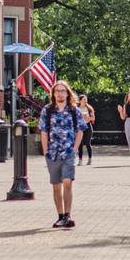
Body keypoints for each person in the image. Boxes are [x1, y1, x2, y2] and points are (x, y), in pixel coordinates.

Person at [40, 81, 86, 228]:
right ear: (53, 94)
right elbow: (43, 131)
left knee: (67, 182)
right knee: (56, 185)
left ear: (68, 93)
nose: (60, 93)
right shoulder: (47, 111)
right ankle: (60, 216)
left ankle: (68, 215)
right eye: (57, 91)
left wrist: (75, 148)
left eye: (63, 91)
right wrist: (45, 150)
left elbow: (80, 130)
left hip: (68, 152)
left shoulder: (74, 110)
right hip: (52, 153)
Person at [77, 95, 96, 166]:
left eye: (86, 99)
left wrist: (88, 118)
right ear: (80, 100)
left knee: (88, 143)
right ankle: (80, 160)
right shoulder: (77, 108)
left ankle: (90, 159)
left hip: (88, 126)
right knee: (80, 144)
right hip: (80, 127)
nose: (85, 101)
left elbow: (93, 118)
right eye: (84, 99)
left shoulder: (89, 108)